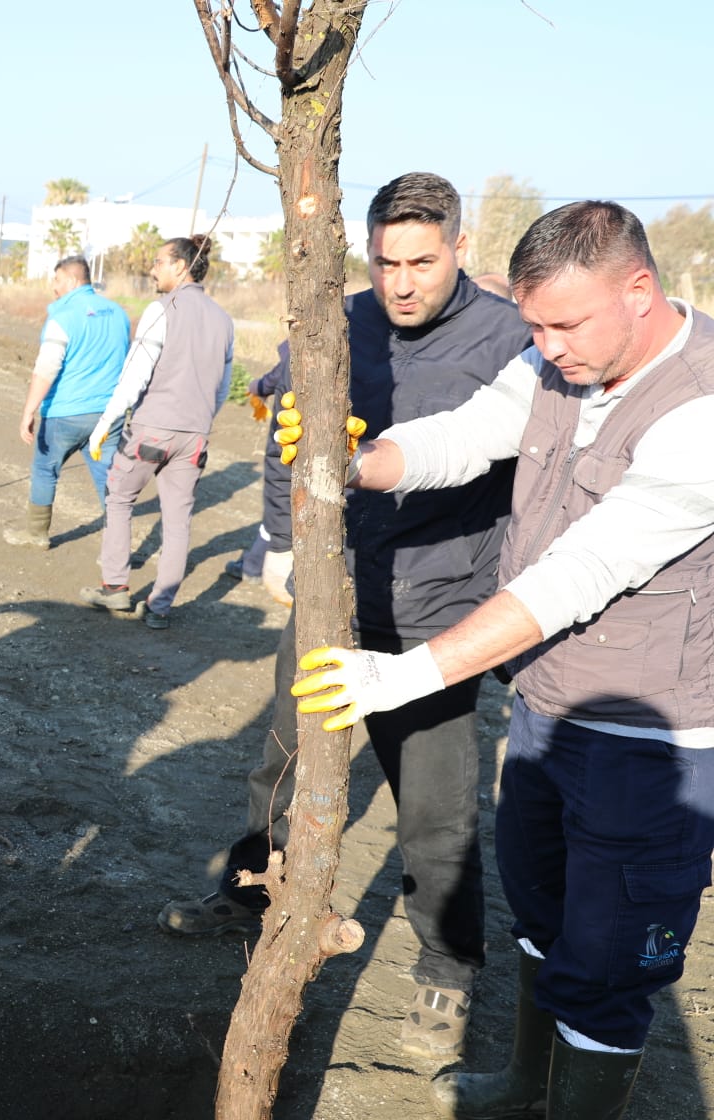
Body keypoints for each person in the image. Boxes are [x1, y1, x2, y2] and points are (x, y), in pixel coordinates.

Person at [286, 200, 714, 1119]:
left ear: (639, 292)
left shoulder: (702, 410)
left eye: (565, 324)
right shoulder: (556, 361)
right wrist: (354, 460)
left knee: (606, 968)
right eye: (532, 325)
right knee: (542, 915)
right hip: (548, 710)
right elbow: (463, 435)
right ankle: (526, 1087)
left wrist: (402, 675)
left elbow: (579, 572)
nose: (546, 345)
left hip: (654, 746)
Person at [156, 173, 531, 1060]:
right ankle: (253, 889)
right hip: (337, 591)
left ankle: (447, 964)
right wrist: (282, 541)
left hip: (443, 608)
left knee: (436, 805)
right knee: (280, 760)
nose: (402, 281)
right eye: (386, 260)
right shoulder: (339, 321)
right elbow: (286, 420)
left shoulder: (510, 338)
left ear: (460, 249)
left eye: (422, 261)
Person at [78, 234, 234, 629]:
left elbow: (133, 377)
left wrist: (103, 427)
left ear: (181, 266)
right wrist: (200, 421)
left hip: (151, 431)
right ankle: (160, 608)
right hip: (195, 436)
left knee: (119, 499)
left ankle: (115, 587)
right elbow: (222, 387)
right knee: (178, 520)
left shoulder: (161, 310)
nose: (153, 269)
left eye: (159, 262)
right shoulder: (223, 320)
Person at [3, 255, 131, 548]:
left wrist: (28, 410)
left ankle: (36, 534)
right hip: (107, 414)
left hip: (66, 414)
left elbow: (47, 368)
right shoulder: (118, 314)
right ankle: (118, 546)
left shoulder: (63, 318)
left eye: (57, 280)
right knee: (108, 477)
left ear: (73, 281)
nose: (53, 286)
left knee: (45, 469)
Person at [223, 346, 295, 606]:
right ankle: (253, 563)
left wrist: (255, 385)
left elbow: (273, 378)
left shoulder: (304, 342)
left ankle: (252, 565)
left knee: (278, 506)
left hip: (288, 445)